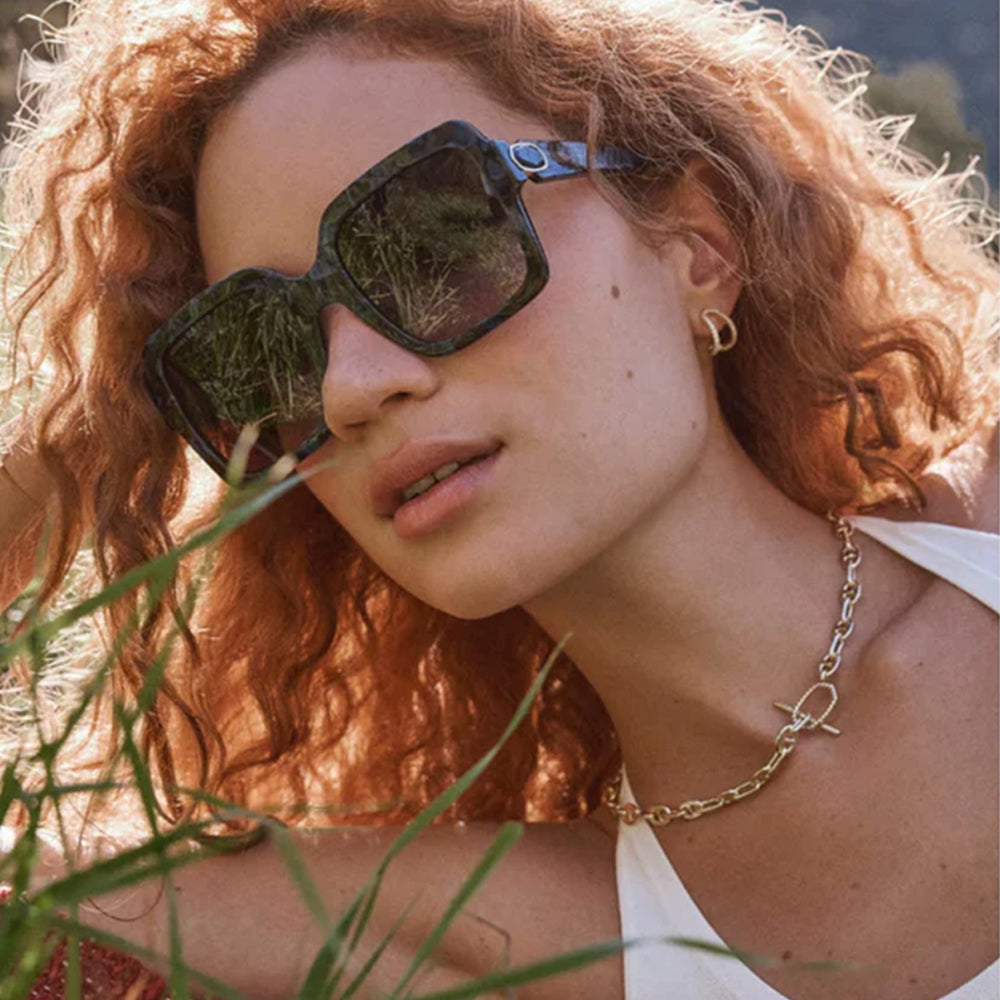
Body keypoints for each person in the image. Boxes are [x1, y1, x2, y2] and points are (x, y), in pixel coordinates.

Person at [0, 0, 996, 997]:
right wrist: (96, 427)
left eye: (431, 246)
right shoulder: (499, 943)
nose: (348, 387)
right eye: (263, 352)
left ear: (702, 249)